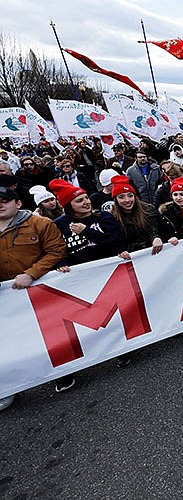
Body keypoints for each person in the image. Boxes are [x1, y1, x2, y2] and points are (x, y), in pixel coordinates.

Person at [49, 178, 126, 389]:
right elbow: (56, 250)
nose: (86, 203)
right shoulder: (59, 226)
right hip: (79, 282)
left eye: (85, 198)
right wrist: (61, 264)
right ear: (68, 206)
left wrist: (86, 231)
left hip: (107, 276)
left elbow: (116, 242)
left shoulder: (103, 217)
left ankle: (121, 350)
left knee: (112, 316)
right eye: (79, 201)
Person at [0, 183, 68, 411]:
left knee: (50, 335)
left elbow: (57, 250)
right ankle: (11, 386)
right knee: (13, 340)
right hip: (8, 298)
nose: (0, 206)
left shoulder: (39, 223)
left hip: (40, 290)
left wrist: (32, 273)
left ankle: (61, 372)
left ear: (18, 204)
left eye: (5, 201)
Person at [108, 176, 164, 258]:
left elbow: (153, 227)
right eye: (121, 197)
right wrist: (120, 250)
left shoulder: (148, 209)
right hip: (132, 258)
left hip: (153, 253)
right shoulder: (111, 217)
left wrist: (156, 238)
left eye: (130, 196)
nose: (127, 200)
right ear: (115, 199)